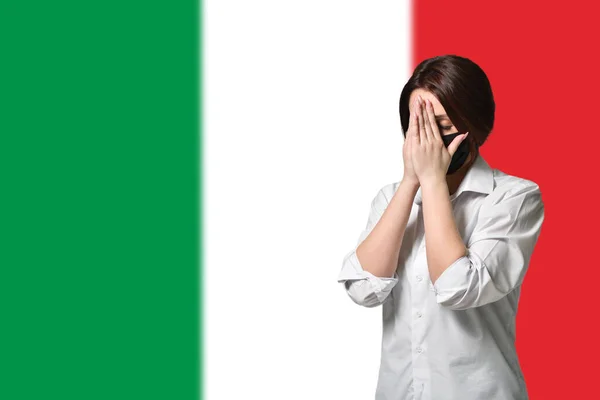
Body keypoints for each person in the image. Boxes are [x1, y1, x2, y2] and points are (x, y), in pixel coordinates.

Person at [337, 55, 545, 400]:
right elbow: (362, 289)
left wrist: (432, 180)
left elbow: (457, 288)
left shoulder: (514, 197)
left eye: (442, 125)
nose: (429, 139)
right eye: (419, 125)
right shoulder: (390, 198)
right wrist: (410, 182)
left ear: (474, 125)